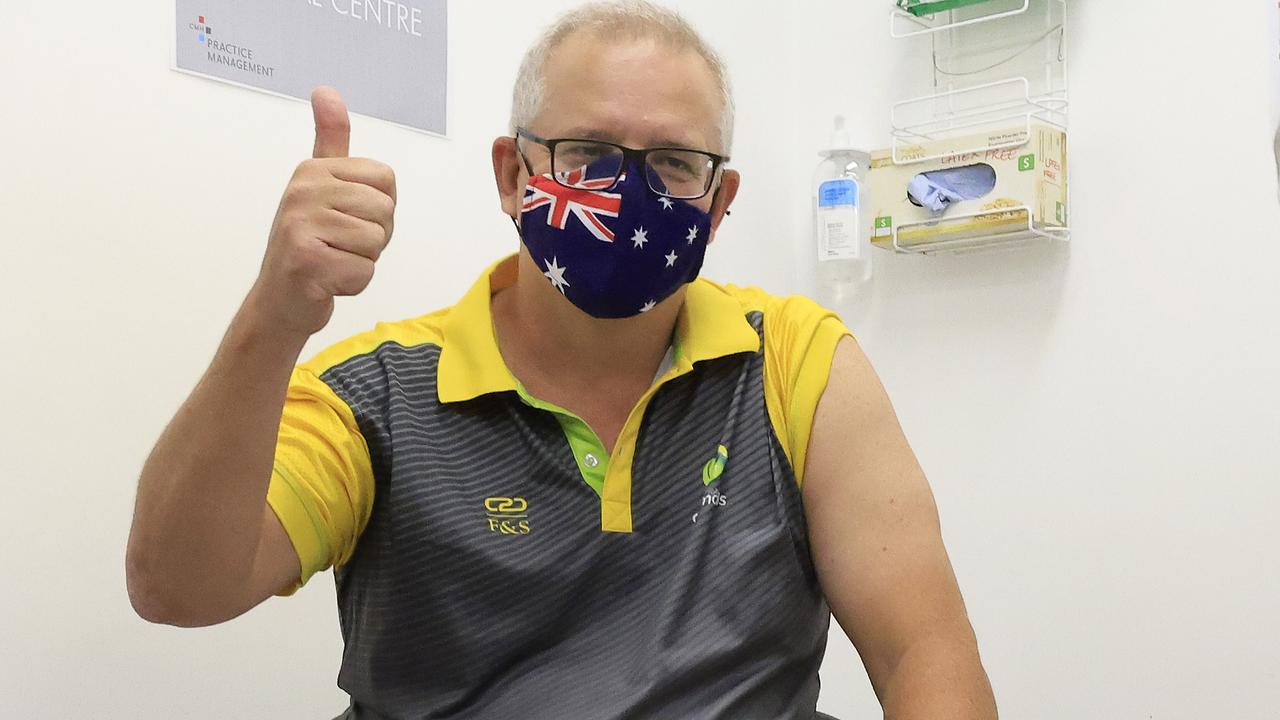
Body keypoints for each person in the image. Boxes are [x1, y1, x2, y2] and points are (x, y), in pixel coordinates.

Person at [126, 2, 997, 718]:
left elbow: (922, 649)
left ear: (720, 199)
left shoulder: (797, 362)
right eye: (586, 154)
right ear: (512, 174)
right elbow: (177, 588)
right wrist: (275, 318)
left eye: (673, 163)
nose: (628, 194)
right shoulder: (375, 394)